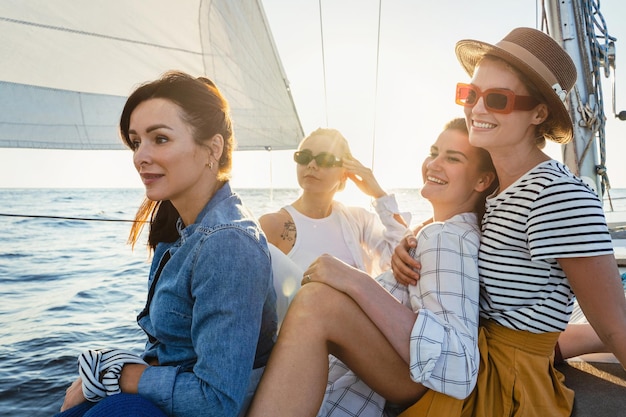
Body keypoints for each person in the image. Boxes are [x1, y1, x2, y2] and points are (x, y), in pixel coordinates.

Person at [392, 27, 626, 416]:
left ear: (539, 113)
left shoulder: (557, 196)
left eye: (498, 99)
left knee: (327, 301)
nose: (476, 109)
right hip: (469, 358)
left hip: (499, 384)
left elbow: (615, 324)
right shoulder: (498, 189)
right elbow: (465, 232)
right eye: (469, 94)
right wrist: (413, 239)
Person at [55, 71, 277, 417]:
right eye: (136, 141)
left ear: (212, 149)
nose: (140, 156)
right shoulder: (180, 226)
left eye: (159, 139)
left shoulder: (227, 244)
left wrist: (119, 375)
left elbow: (216, 401)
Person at [245, 117, 498, 417]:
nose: (433, 163)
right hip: (330, 363)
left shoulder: (436, 236)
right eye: (433, 152)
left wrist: (355, 278)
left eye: (452, 158)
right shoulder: (442, 234)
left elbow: (456, 366)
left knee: (315, 300)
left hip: (386, 374)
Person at [260, 127, 410, 321]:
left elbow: (400, 254)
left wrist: (378, 194)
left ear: (345, 172)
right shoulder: (273, 224)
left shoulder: (356, 219)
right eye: (304, 157)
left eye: (325, 159)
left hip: (354, 336)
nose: (312, 165)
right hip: (301, 340)